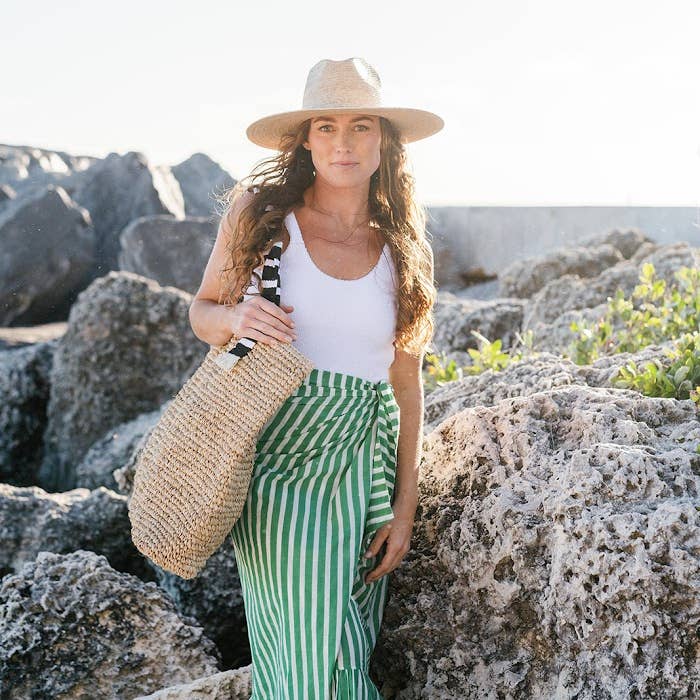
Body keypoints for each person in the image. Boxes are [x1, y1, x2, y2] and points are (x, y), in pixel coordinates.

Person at [188, 57, 443, 699]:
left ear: (384, 140)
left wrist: (405, 506)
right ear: (305, 140)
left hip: (366, 460)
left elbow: (406, 382)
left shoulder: (402, 246)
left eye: (360, 126)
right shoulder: (261, 218)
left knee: (346, 649)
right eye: (326, 126)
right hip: (279, 457)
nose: (342, 143)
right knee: (310, 654)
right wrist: (235, 317)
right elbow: (202, 312)